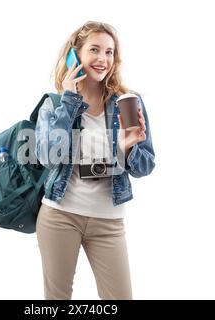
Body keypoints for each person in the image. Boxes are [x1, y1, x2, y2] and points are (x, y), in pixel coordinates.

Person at [34, 21, 155, 300]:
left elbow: (146, 166)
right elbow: (48, 158)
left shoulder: (127, 103)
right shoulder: (54, 104)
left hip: (109, 222)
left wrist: (127, 149)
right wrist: (69, 101)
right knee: (57, 300)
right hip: (60, 216)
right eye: (95, 50)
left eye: (110, 52)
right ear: (75, 56)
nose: (103, 59)